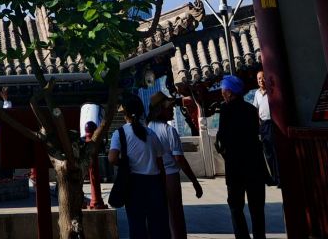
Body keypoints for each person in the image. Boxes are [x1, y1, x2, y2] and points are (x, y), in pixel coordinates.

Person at [108, 93, 169, 239]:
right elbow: (160, 162)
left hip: (134, 184)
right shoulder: (150, 133)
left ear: (124, 112)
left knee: (137, 227)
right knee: (157, 227)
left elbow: (112, 158)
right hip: (154, 184)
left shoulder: (120, 133)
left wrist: (125, 163)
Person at [215, 75, 267, 239]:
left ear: (229, 93)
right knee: (257, 207)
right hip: (255, 165)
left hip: (235, 167)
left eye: (223, 90)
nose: (222, 93)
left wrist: (226, 154)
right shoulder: (252, 110)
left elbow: (221, 138)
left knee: (236, 207)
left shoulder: (225, 110)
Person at [147, 91, 202, 239]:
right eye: (169, 108)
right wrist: (194, 181)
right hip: (170, 176)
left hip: (153, 176)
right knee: (176, 215)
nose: (172, 110)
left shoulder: (148, 128)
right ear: (161, 110)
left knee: (160, 215)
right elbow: (179, 158)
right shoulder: (169, 131)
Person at [252, 70, 280, 186]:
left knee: (275, 151)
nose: (261, 80)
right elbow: (255, 109)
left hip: (273, 123)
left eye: (262, 78)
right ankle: (273, 177)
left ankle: (279, 179)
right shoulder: (257, 94)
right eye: (259, 79)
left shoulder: (271, 92)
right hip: (263, 125)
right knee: (267, 152)